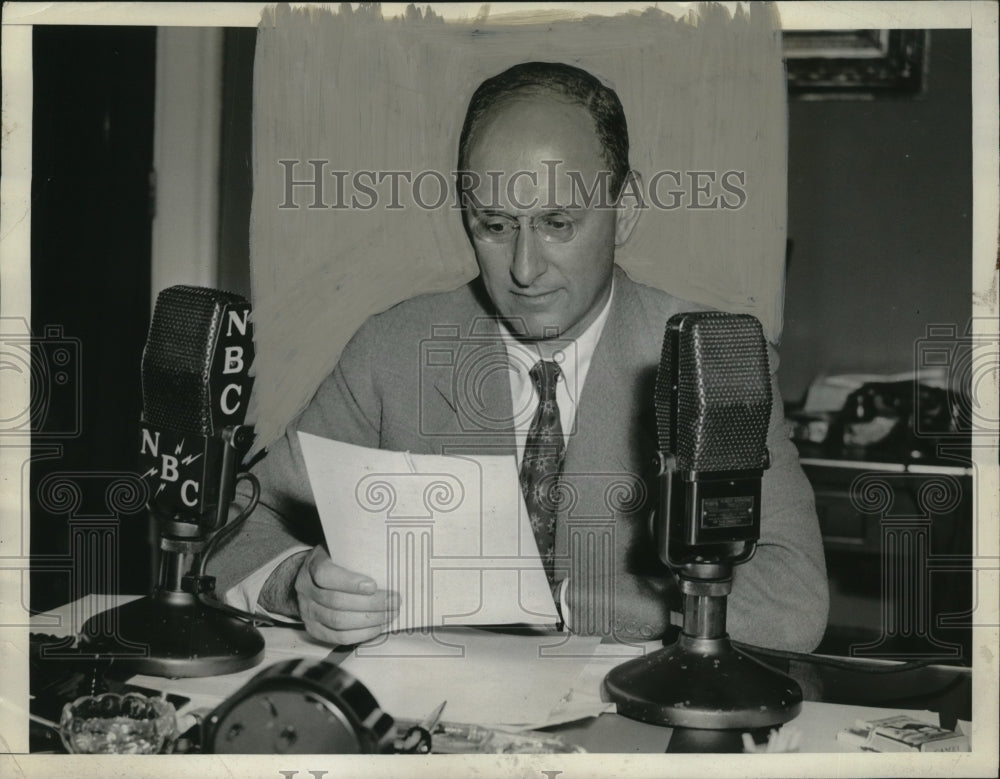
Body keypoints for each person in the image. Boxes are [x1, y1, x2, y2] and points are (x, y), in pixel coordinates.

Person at [209, 62, 828, 651]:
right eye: (495, 226)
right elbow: (236, 517)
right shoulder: (391, 349)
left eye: (557, 223)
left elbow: (791, 601)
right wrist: (295, 583)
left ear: (626, 211)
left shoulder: (712, 362)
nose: (525, 270)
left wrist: (565, 604)